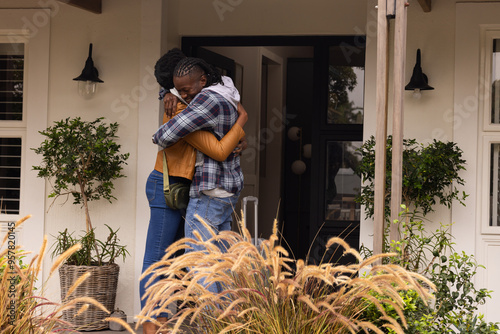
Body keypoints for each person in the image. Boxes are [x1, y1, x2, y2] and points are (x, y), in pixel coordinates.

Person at [141, 50, 247, 334]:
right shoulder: (179, 105)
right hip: (167, 183)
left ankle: (202, 320)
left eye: (185, 87)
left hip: (189, 187)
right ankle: (155, 325)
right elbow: (218, 148)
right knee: (159, 258)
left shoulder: (208, 98)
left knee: (186, 258)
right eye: (178, 87)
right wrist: (240, 124)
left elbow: (221, 138)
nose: (183, 91)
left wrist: (239, 134)